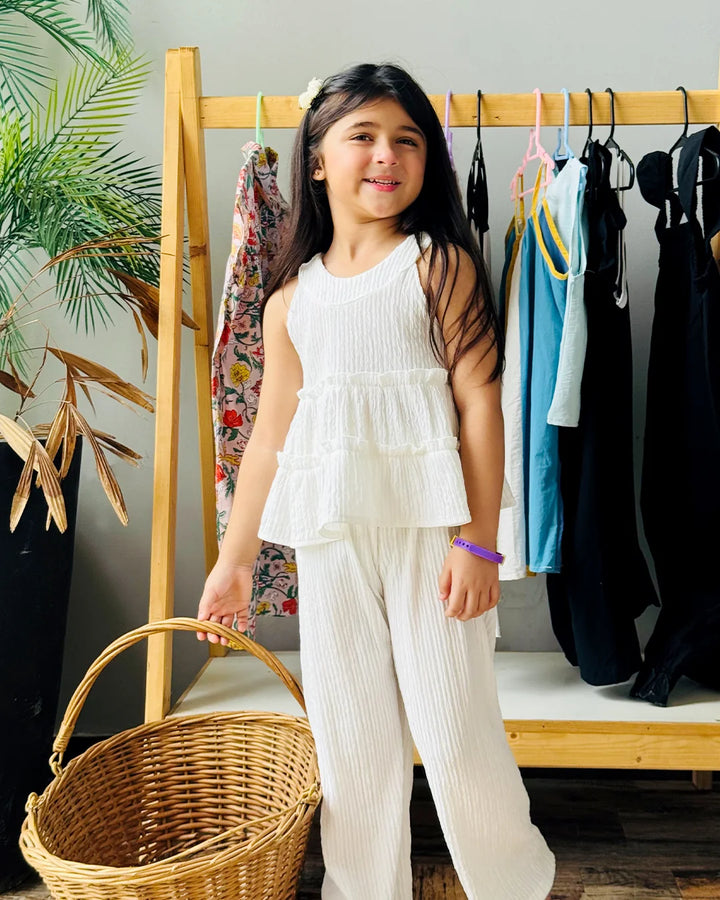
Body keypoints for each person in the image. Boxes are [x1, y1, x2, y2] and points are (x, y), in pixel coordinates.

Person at [196, 62, 555, 900]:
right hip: (332, 536)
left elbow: (481, 406)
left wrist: (477, 542)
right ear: (316, 159)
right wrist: (234, 559)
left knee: (456, 731)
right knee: (350, 743)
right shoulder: (290, 300)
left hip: (434, 534)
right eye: (362, 136)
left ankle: (514, 884)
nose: (386, 155)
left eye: (407, 140)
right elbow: (271, 433)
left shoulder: (436, 266)